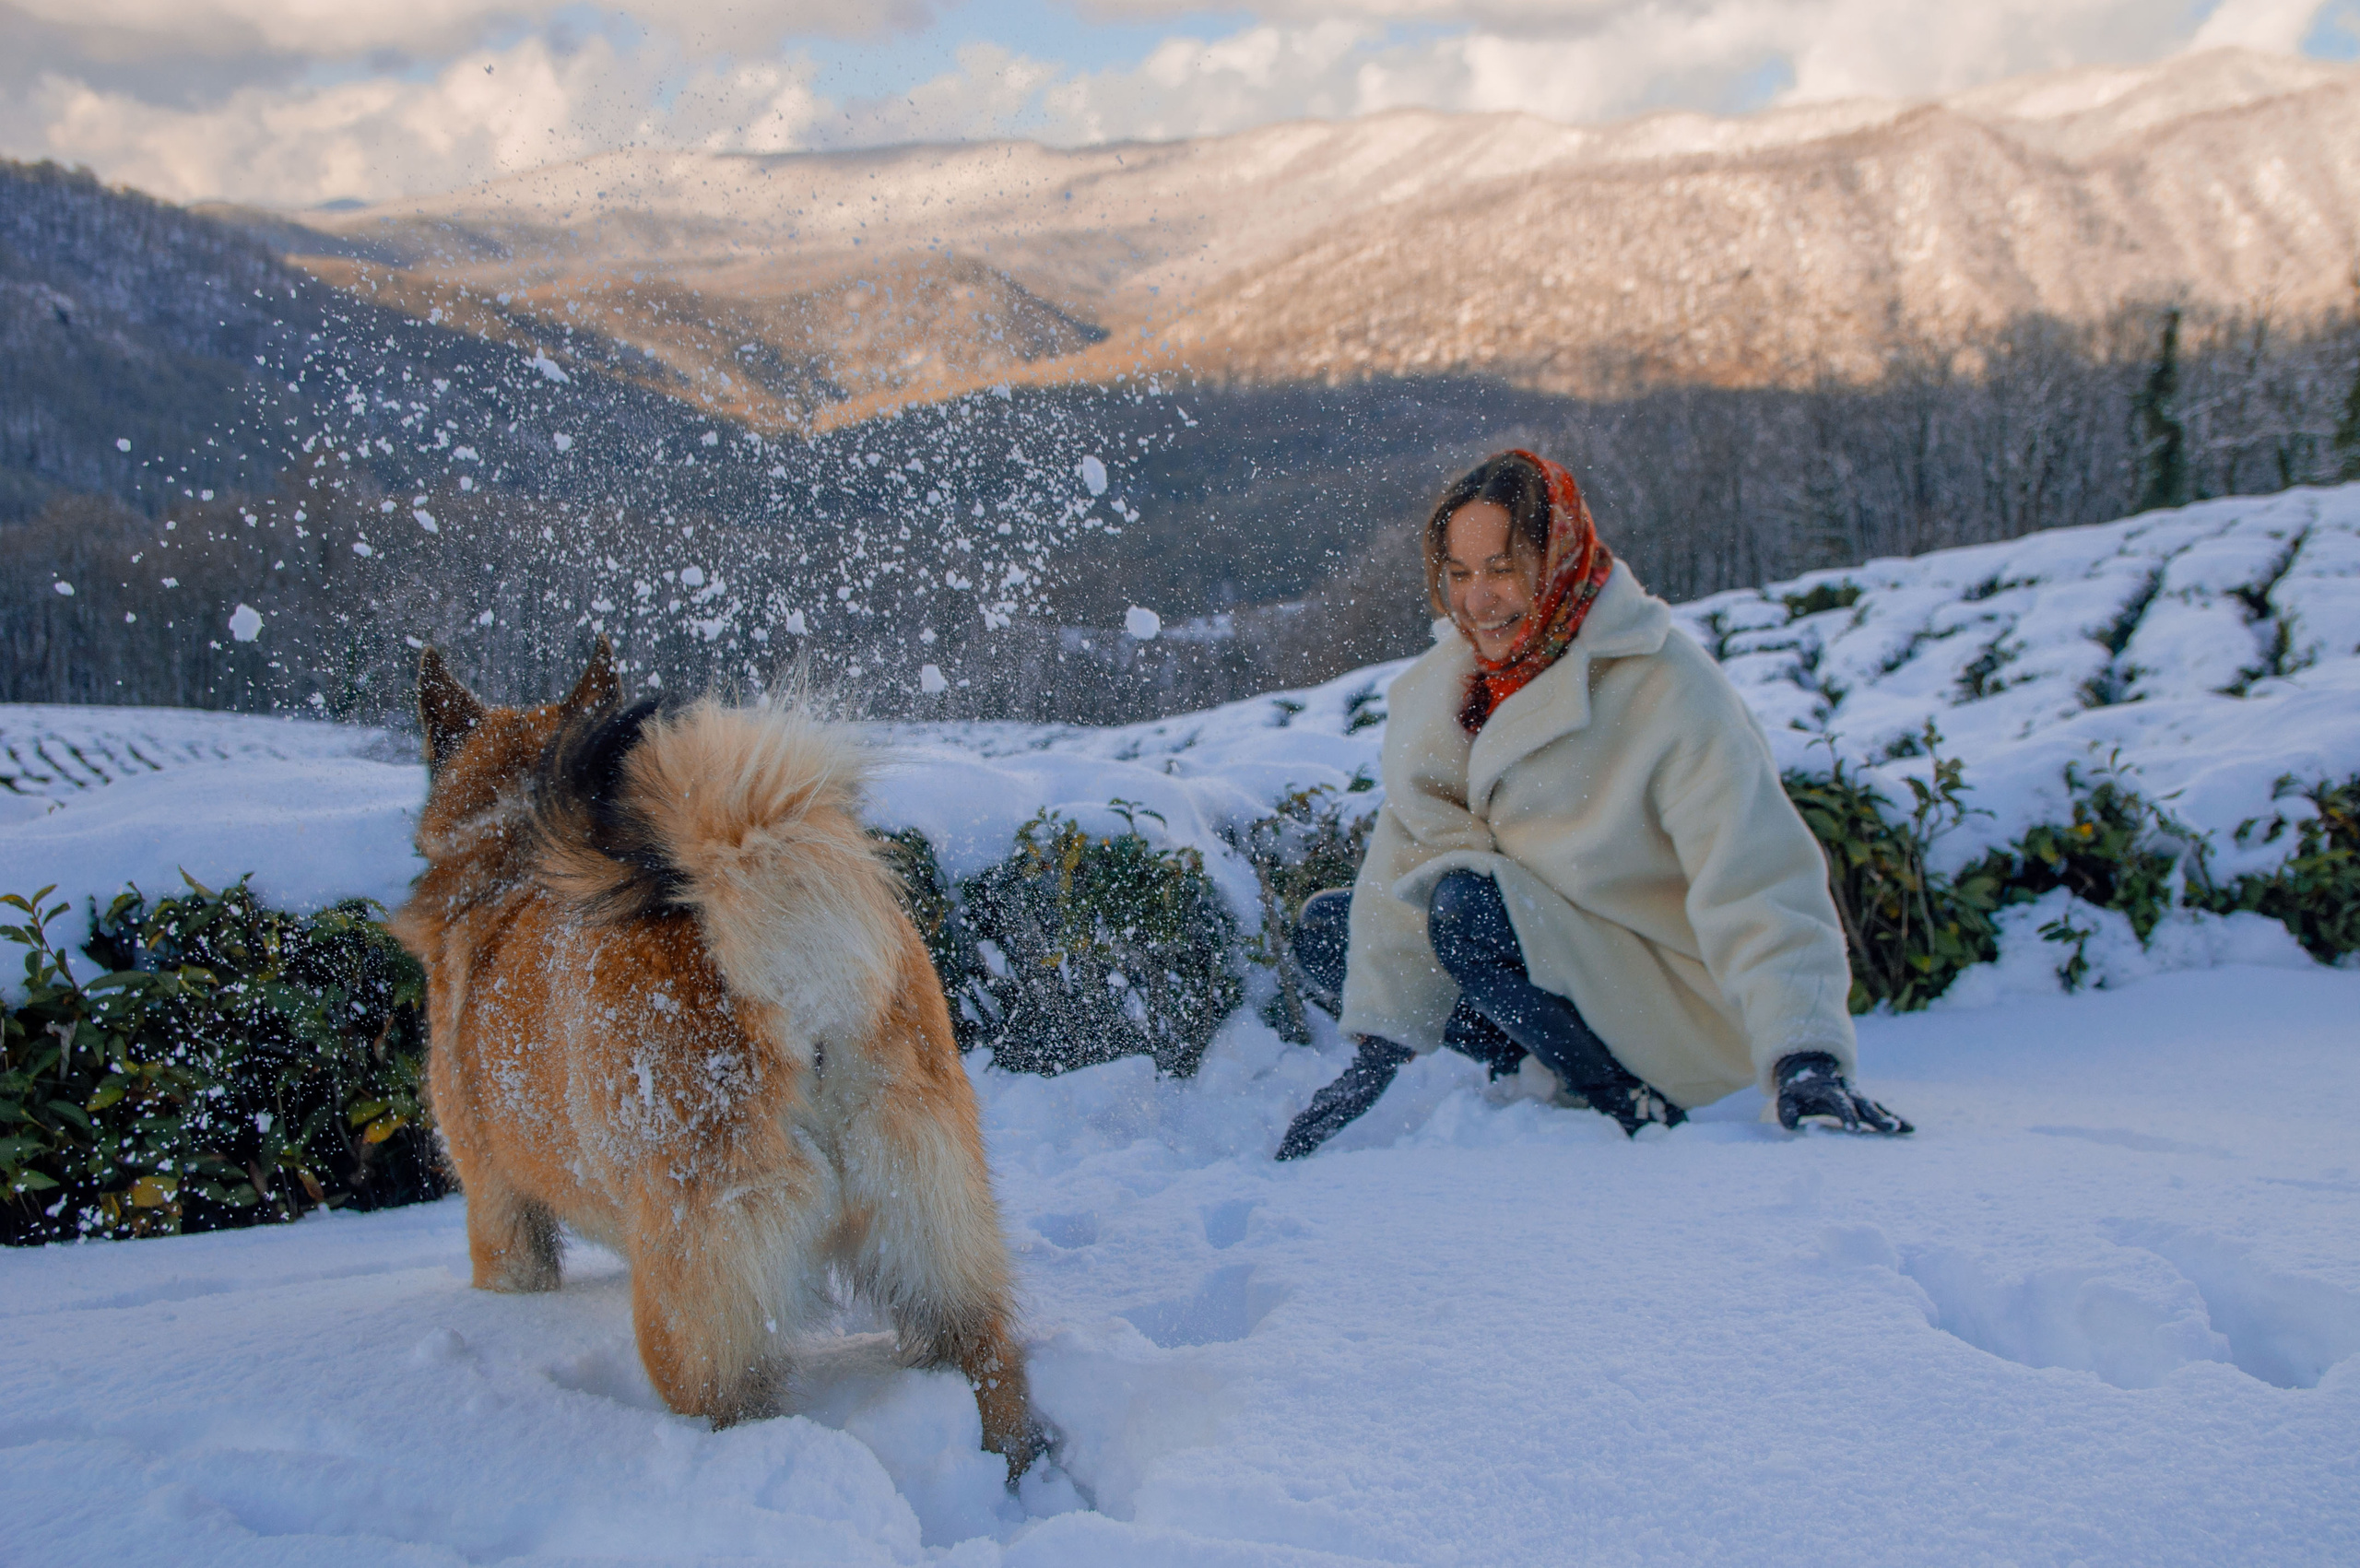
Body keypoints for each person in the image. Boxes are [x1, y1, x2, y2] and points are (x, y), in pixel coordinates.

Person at [1275, 450, 1909, 1160]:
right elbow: (1411, 851)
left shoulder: (1662, 683)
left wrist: (1806, 1056)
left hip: (1660, 994)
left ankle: (1624, 1098)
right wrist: (1375, 1058)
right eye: (1459, 573)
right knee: (1334, 930)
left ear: (1557, 558)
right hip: (1544, 959)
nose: (1477, 600)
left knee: (1464, 908)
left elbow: (1758, 873)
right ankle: (1539, 1062)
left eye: (1502, 567)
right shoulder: (1453, 690)